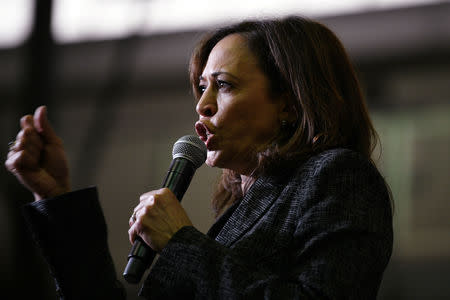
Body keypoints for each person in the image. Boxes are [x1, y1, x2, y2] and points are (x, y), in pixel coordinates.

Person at [5, 16, 393, 299]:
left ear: (290, 104)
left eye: (223, 86)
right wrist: (54, 197)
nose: (202, 105)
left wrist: (179, 242)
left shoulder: (339, 176)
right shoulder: (237, 211)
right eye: (202, 87)